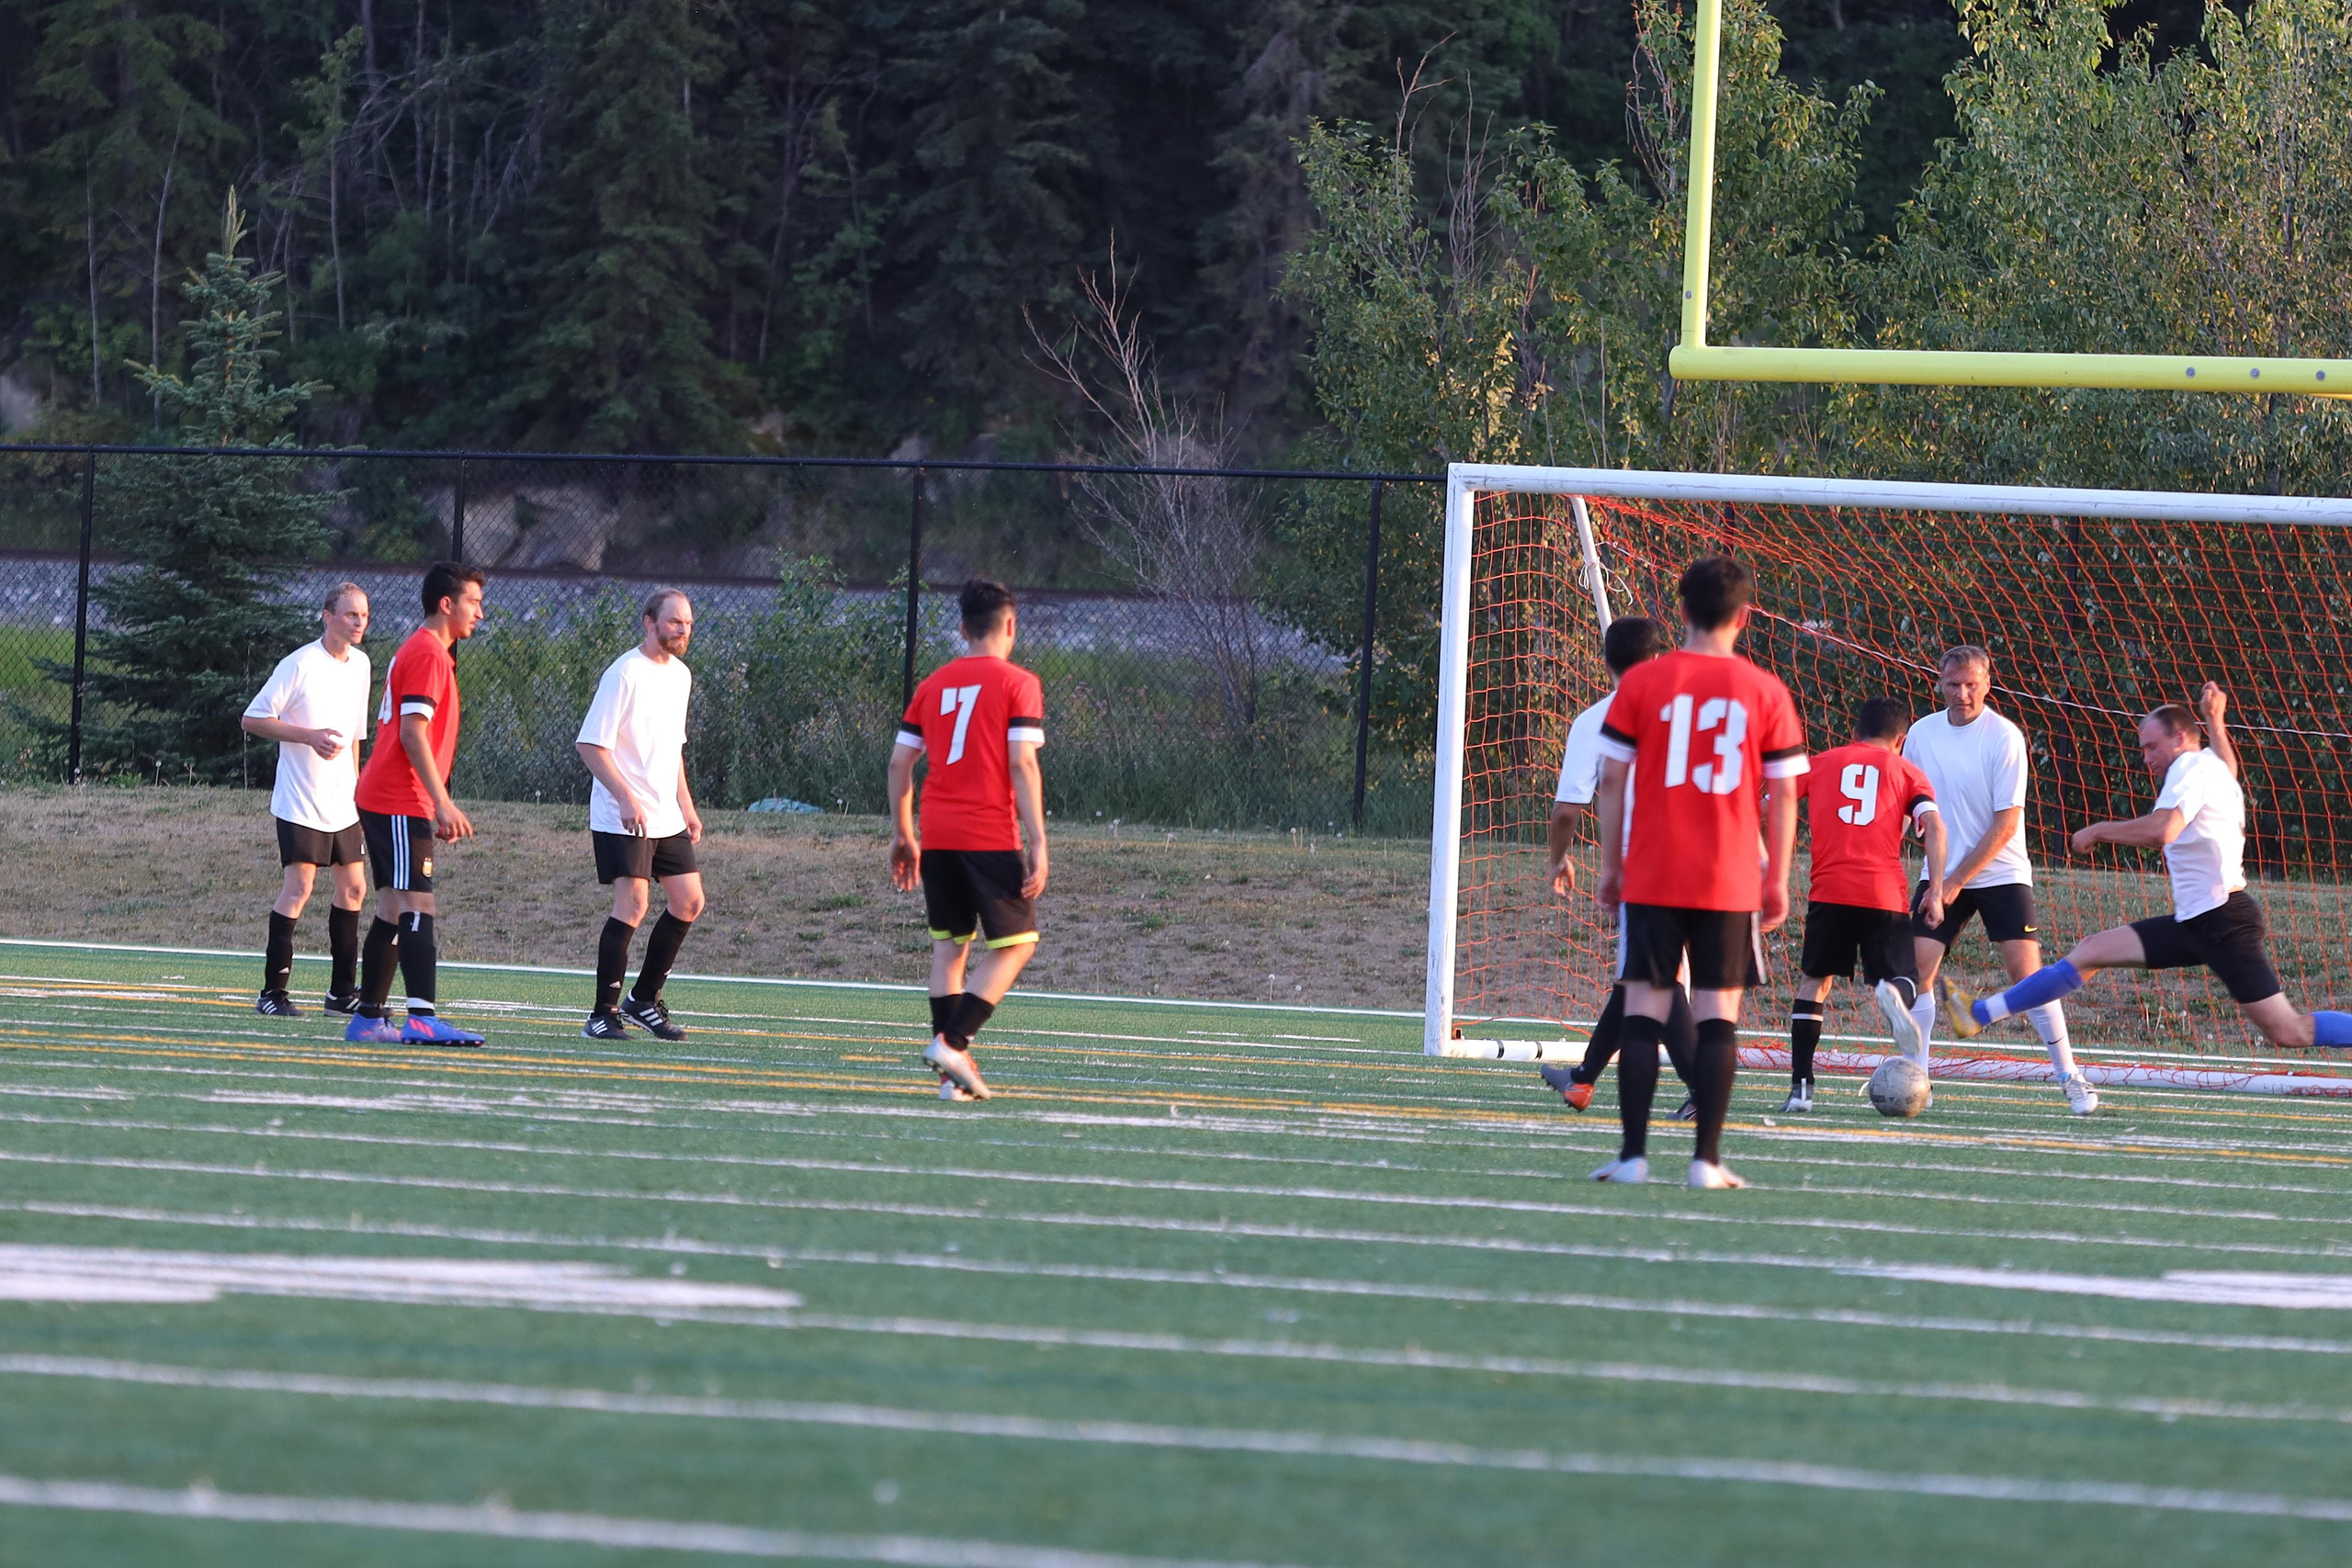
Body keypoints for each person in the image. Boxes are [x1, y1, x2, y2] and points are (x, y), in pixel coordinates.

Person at [1951, 684, 2352, 1055]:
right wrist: (2215, 720)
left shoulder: (2189, 768)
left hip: (2223, 923)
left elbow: (2164, 830)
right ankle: (1979, 1014)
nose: (2146, 758)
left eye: (2152, 746)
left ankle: (1982, 1013)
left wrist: (2099, 830)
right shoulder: (2211, 765)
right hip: (2196, 921)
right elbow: (2228, 764)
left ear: (2180, 739)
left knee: (2289, 1031)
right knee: (2091, 951)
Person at [1592, 555, 1807, 1190]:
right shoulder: (1767, 691)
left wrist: (1610, 866)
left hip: (1654, 872)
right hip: (1729, 877)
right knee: (1717, 1018)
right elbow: (1785, 794)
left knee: (1642, 1012)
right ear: (1745, 617)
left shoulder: (1642, 683)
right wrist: (1778, 878)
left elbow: (1612, 779)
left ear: (1680, 610)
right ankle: (1706, 1162)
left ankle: (1632, 1158)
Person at [1903, 646, 2094, 1114]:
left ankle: (2070, 1075)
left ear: (1988, 683)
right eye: (1953, 685)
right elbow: (1907, 804)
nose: (1963, 694)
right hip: (1940, 871)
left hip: (2001, 872)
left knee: (2029, 976)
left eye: (1972, 685)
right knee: (1917, 970)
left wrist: (1953, 883)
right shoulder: (1921, 734)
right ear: (1939, 683)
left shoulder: (2005, 737)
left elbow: (2006, 824)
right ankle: (1918, 1080)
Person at [888, 579, 1048, 1101]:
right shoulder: (1019, 682)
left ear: (962, 629)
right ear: (1011, 625)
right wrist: (1039, 840)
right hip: (988, 834)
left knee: (950, 949)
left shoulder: (932, 685)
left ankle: (949, 1078)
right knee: (1018, 944)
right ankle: (953, 1043)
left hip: (937, 833)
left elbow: (899, 763)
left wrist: (904, 835)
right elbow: (1022, 763)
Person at [1536, 615, 1699, 1113]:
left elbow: (1567, 811)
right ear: (1659, 658)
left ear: (1605, 662)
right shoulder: (1692, 711)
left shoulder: (1597, 720)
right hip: (1707, 857)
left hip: (1648, 866)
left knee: (1656, 980)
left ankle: (1702, 1090)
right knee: (1643, 976)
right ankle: (1583, 1078)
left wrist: (1559, 859)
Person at [347, 561, 488, 1047]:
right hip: (397, 797)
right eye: (473, 603)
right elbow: (412, 733)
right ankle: (422, 1018)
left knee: (392, 905)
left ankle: (368, 1019)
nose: (480, 613)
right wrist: (441, 802)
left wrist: (435, 801)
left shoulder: (429, 651)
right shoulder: (428, 652)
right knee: (417, 903)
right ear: (446, 604)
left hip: (394, 796)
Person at [1786, 696, 1949, 1111]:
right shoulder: (1908, 772)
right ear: (1901, 740)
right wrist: (1935, 890)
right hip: (1882, 893)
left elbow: (1774, 802)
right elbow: (1934, 826)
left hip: (1828, 890)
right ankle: (1894, 994)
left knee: (1815, 982)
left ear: (1855, 733)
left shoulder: (1820, 763)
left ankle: (1801, 1089)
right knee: (1906, 977)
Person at [575, 589, 707, 1042]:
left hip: (665, 813)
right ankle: (601, 1014)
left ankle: (643, 1000)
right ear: (649, 623)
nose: (683, 631)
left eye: (688, 623)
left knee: (689, 901)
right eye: (674, 622)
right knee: (633, 904)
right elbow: (590, 745)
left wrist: (686, 806)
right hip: (622, 814)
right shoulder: (624, 673)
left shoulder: (682, 676)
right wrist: (626, 797)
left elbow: (673, 748)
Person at [239, 582, 375, 1017]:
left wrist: (358, 792)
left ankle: (341, 995)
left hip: (343, 803)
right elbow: (253, 719)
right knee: (299, 888)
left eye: (364, 615)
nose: (359, 622)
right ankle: (272, 993)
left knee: (354, 889)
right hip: (300, 800)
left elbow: (355, 737)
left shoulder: (361, 665)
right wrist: (309, 737)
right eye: (350, 614)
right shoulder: (299, 664)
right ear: (327, 616)